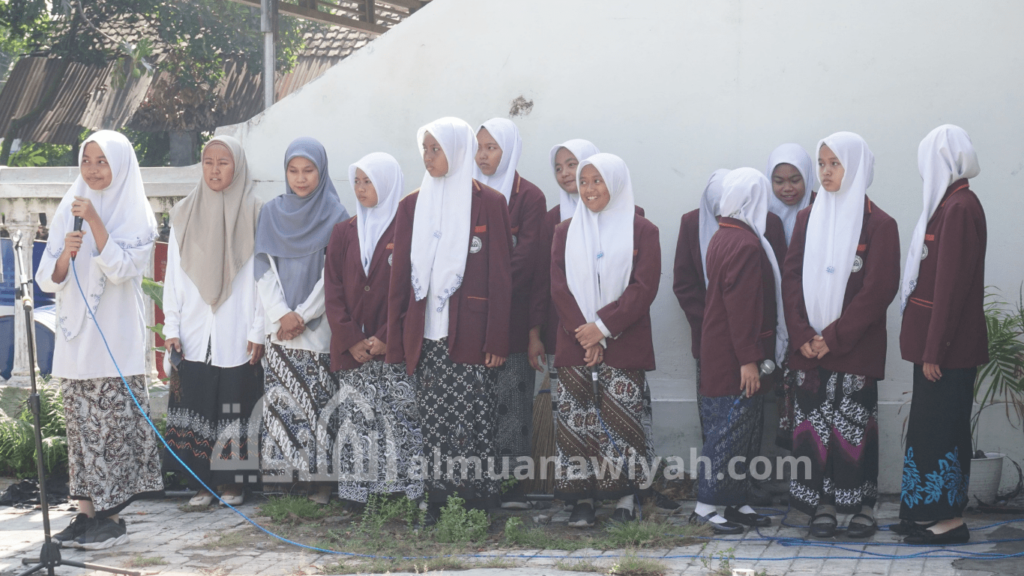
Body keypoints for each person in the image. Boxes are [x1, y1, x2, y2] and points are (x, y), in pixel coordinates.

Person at [36, 130, 163, 549]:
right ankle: (86, 513)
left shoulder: (137, 212)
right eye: (87, 160)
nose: (92, 170)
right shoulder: (67, 206)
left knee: (111, 430)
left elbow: (124, 270)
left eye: (102, 161)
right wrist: (64, 257)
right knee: (81, 433)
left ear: (121, 164)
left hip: (115, 339)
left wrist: (94, 222)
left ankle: (110, 518)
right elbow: (46, 278)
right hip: (76, 339)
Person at [386, 117, 512, 523]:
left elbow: (501, 278)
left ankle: (477, 502)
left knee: (474, 419)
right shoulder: (411, 205)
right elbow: (400, 280)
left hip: (471, 335)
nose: (428, 157)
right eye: (425, 148)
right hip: (426, 335)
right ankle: (439, 501)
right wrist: (396, 339)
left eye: (435, 149)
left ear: (456, 150)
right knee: (436, 422)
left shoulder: (489, 203)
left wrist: (495, 339)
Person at [782, 132, 900, 539]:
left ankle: (863, 504)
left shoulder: (880, 224)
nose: (826, 171)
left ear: (857, 167)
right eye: (822, 163)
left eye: (835, 163)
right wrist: (802, 334)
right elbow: (791, 278)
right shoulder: (806, 218)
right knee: (814, 429)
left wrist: (832, 336)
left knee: (852, 427)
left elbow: (879, 290)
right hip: (809, 352)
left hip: (852, 350)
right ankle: (822, 504)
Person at [549, 153, 660, 527]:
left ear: (615, 183)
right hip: (574, 342)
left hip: (623, 343)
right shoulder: (564, 232)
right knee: (575, 423)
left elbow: (643, 288)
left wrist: (603, 328)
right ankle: (582, 499)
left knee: (621, 422)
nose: (589, 189)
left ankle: (626, 497)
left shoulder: (643, 230)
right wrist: (586, 333)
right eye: (584, 181)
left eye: (597, 181)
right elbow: (559, 287)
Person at [673, 170, 786, 507]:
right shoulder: (746, 244)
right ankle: (708, 506)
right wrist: (748, 359)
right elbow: (742, 308)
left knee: (737, 429)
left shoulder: (724, 234)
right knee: (728, 432)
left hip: (723, 352)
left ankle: (736, 502)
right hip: (736, 358)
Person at [162, 136, 265, 507]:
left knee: (235, 400)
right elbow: (172, 275)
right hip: (193, 327)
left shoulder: (255, 212)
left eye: (224, 162)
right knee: (196, 402)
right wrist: (170, 327)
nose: (215, 169)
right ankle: (200, 484)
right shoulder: (185, 212)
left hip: (236, 327)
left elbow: (262, 277)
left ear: (237, 166)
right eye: (208, 162)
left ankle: (234, 484)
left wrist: (258, 328)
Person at [896, 125, 985, 545]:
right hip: (937, 348)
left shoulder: (959, 208)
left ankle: (948, 521)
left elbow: (950, 289)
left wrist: (935, 350)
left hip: (947, 352)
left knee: (942, 430)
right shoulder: (948, 204)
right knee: (928, 430)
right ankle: (923, 512)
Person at [324, 152, 423, 507]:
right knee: (357, 418)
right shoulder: (344, 231)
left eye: (369, 181)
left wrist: (386, 337)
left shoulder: (409, 229)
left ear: (387, 183)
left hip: (391, 348)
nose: (362, 189)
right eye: (357, 181)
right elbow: (332, 290)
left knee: (398, 417)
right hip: (354, 351)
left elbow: (414, 289)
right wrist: (351, 339)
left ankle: (401, 492)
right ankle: (358, 494)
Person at [256, 137, 350, 504]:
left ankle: (321, 484)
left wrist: (302, 315)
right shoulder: (271, 212)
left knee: (318, 406)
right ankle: (285, 482)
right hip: (280, 330)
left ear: (321, 171)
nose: (300, 178)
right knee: (282, 408)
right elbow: (262, 266)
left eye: (308, 170)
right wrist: (281, 314)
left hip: (317, 330)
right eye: (293, 171)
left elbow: (333, 274)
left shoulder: (335, 213)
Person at [474, 118, 547, 508]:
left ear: (509, 149)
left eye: (492, 147)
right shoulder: (465, 193)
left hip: (511, 318)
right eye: (479, 146)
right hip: (470, 320)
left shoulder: (529, 197)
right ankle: (478, 483)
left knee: (513, 400)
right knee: (478, 402)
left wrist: (486, 291)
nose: (483, 155)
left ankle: (512, 486)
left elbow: (528, 260)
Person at [764, 144, 816, 451]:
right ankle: (780, 477)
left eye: (795, 179)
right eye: (778, 180)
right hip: (772, 321)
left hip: (810, 322)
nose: (787, 188)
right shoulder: (761, 214)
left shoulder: (822, 213)